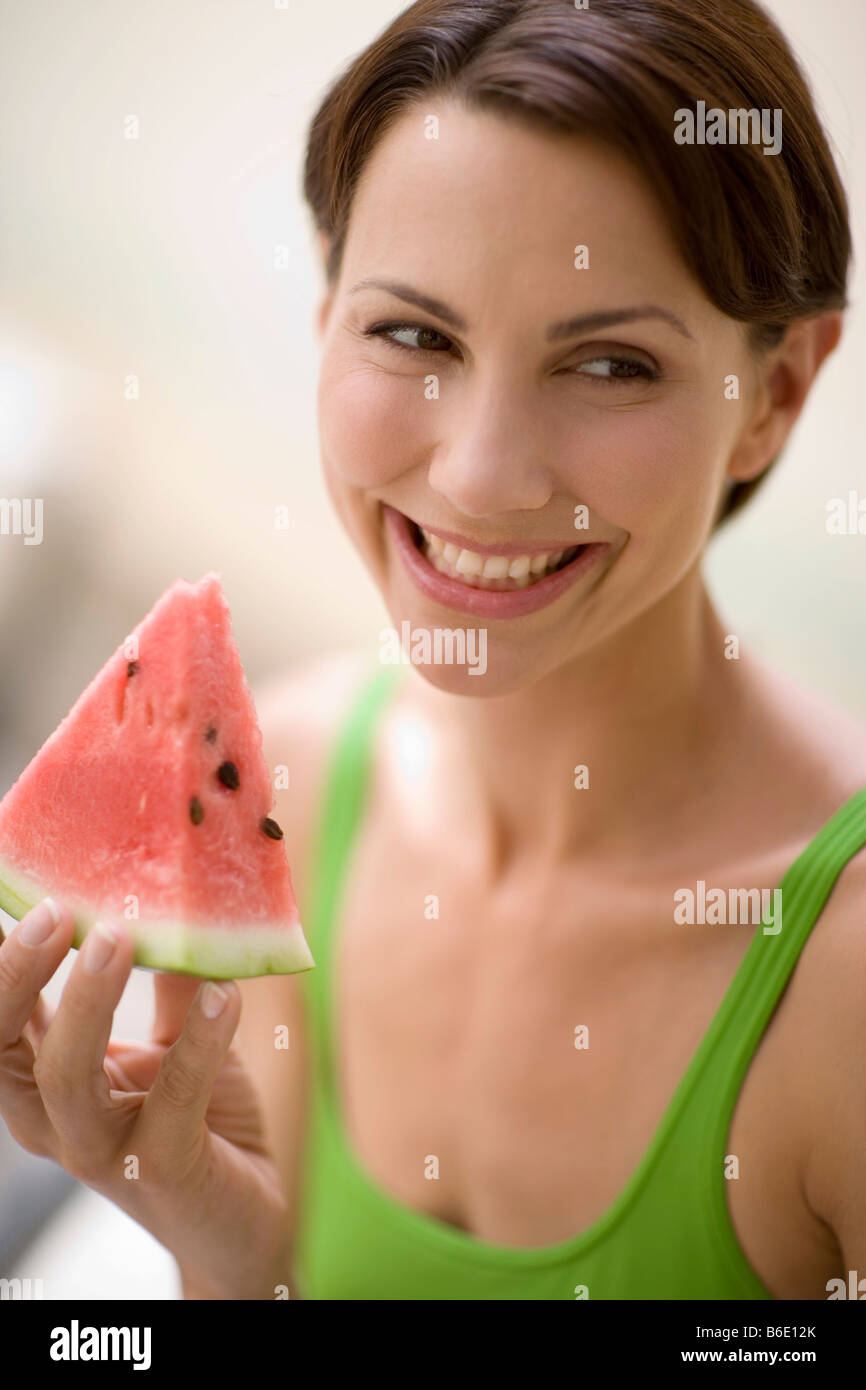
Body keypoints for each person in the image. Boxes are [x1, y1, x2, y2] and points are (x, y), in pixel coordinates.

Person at [2, 0, 864, 1301]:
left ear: (776, 395)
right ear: (324, 316)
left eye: (611, 364)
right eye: (412, 334)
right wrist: (232, 1260)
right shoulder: (277, 780)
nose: (481, 475)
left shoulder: (842, 988)